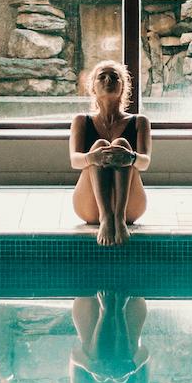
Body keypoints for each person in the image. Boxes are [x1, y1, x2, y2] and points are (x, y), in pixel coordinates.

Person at [70, 59, 150, 246]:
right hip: (90, 207)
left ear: (123, 87)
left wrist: (129, 157)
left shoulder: (140, 122)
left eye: (114, 77)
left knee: (121, 143)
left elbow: (145, 162)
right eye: (102, 77)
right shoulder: (81, 120)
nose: (108, 80)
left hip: (131, 206)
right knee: (99, 145)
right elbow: (75, 161)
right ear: (93, 87)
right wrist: (93, 157)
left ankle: (119, 217)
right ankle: (106, 217)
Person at [71, 291, 150, 383]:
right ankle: (117, 311)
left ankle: (106, 312)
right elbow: (145, 352)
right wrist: (131, 367)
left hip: (88, 309)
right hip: (131, 309)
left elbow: (74, 354)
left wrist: (91, 367)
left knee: (99, 374)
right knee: (121, 375)